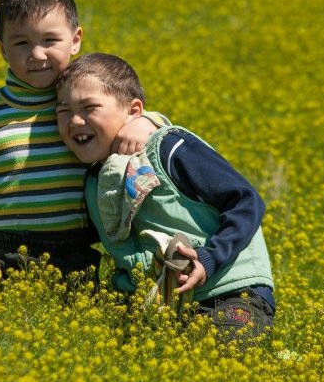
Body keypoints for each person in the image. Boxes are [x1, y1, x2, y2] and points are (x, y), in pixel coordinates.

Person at [0, 0, 165, 283]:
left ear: (75, 40)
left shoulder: (84, 107)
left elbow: (139, 118)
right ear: (2, 48)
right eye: (21, 42)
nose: (37, 54)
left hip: (75, 253)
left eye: (50, 40)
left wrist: (147, 122)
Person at [55, 53, 275, 338]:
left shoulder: (168, 147)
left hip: (228, 292)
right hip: (159, 306)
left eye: (89, 107)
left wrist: (209, 258)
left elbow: (246, 200)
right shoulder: (94, 179)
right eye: (63, 111)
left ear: (134, 111)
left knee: (222, 357)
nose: (75, 120)